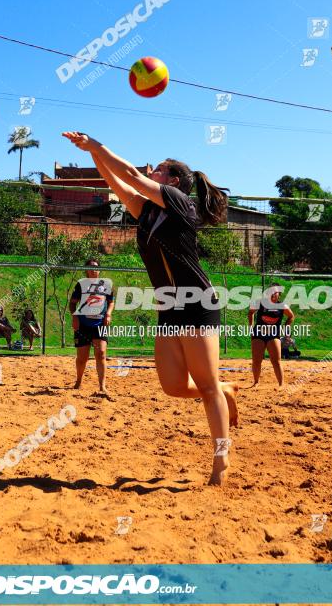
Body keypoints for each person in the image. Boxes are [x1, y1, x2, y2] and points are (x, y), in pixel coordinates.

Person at [62, 131, 238, 486]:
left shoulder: (178, 201)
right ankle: (226, 390)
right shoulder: (146, 214)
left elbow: (130, 175)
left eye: (158, 170)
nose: (151, 171)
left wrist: (97, 144)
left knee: (205, 387)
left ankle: (221, 460)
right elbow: (117, 179)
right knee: (173, 387)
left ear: (172, 181)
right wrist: (93, 155)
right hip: (169, 309)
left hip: (198, 303)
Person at [69, 258, 114, 396]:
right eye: (90, 266)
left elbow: (111, 302)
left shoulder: (106, 284)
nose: (93, 269)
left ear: (99, 270)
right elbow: (72, 303)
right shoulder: (81, 285)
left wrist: (108, 314)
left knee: (101, 353)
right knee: (82, 358)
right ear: (86, 270)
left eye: (95, 266)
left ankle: (102, 387)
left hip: (100, 324)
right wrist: (75, 316)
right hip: (83, 325)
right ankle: (78, 381)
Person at [248, 284, 294, 386]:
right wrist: (251, 328)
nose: (273, 293)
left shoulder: (282, 306)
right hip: (258, 334)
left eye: (275, 292)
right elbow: (250, 312)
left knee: (276, 361)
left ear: (279, 294)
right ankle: (256, 382)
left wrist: (286, 327)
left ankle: (281, 384)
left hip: (273, 335)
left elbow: (291, 316)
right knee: (256, 361)